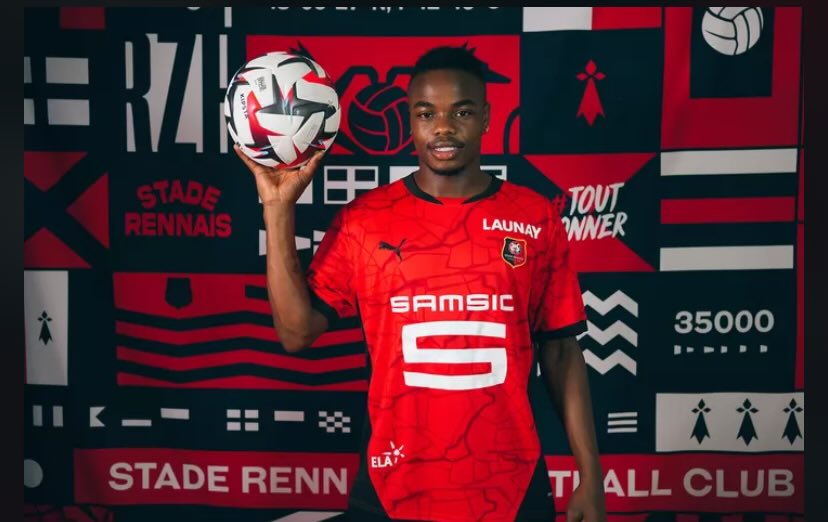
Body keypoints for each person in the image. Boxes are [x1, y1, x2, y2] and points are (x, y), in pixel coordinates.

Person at [235, 45, 607, 522]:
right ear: (410, 122)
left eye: (462, 112)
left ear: (486, 118)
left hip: (510, 488)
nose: (443, 128)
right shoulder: (363, 221)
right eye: (427, 113)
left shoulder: (534, 216)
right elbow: (295, 332)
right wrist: (277, 208)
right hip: (393, 487)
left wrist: (590, 474)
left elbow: (561, 352)